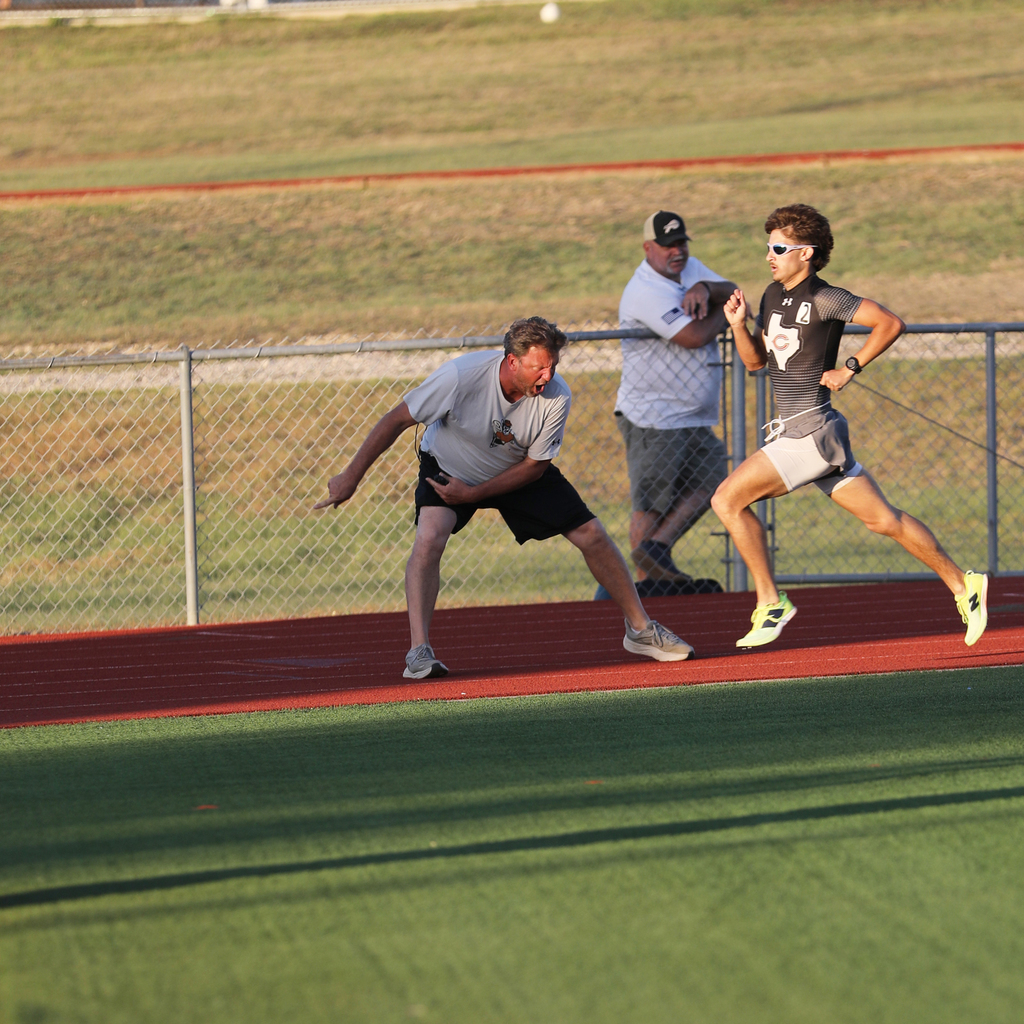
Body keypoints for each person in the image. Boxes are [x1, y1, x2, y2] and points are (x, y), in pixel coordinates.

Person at [314, 316, 696, 678]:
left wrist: (473, 494)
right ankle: (419, 652)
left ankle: (641, 630)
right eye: (539, 368)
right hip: (450, 466)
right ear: (512, 361)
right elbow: (396, 419)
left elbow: (534, 467)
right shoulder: (460, 376)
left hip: (517, 470)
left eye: (553, 366)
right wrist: (350, 478)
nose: (548, 376)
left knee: (592, 534)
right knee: (429, 537)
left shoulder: (556, 396)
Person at [712, 203, 988, 649]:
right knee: (885, 521)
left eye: (779, 248)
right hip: (806, 434)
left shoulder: (826, 297)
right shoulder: (772, 295)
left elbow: (890, 323)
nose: (769, 256)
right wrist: (738, 326)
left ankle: (771, 602)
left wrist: (850, 368)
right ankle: (964, 584)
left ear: (806, 253)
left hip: (810, 433)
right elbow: (755, 363)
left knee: (726, 500)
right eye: (768, 247)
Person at [616, 210, 737, 587]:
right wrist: (727, 313)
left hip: (694, 416)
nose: (677, 251)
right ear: (648, 248)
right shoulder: (644, 291)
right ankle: (644, 588)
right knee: (652, 504)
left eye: (681, 242)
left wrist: (706, 290)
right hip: (654, 417)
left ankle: (656, 550)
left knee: (714, 481)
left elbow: (732, 290)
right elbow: (694, 336)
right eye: (668, 245)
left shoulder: (691, 268)